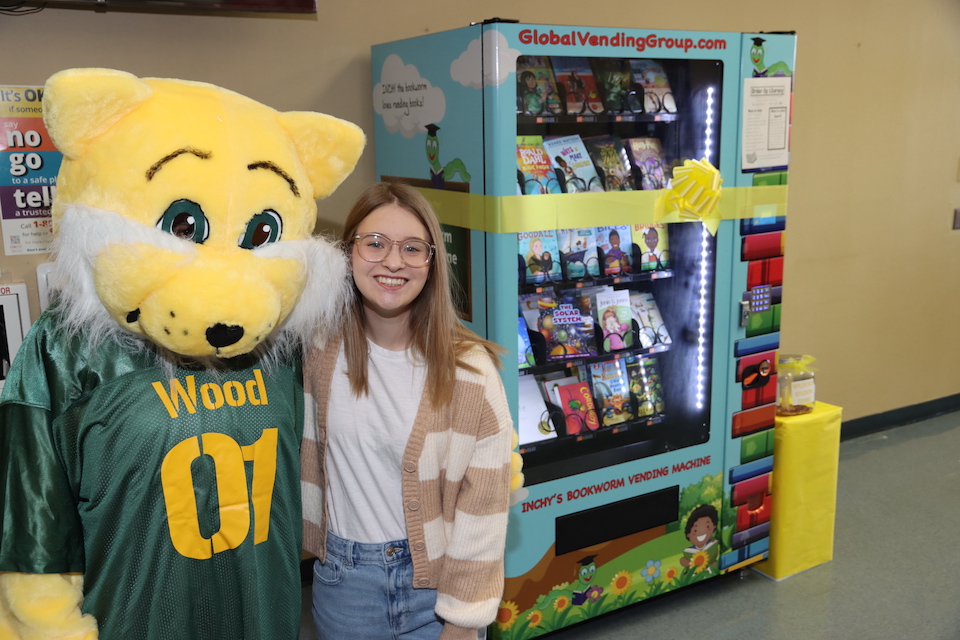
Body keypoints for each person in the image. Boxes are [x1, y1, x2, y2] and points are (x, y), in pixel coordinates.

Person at [301, 182, 515, 640]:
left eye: (412, 248)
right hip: (344, 585)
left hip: (437, 591)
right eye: (374, 243)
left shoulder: (471, 373)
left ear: (432, 262)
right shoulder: (316, 348)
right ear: (348, 252)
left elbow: (485, 507)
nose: (393, 262)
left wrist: (462, 622)